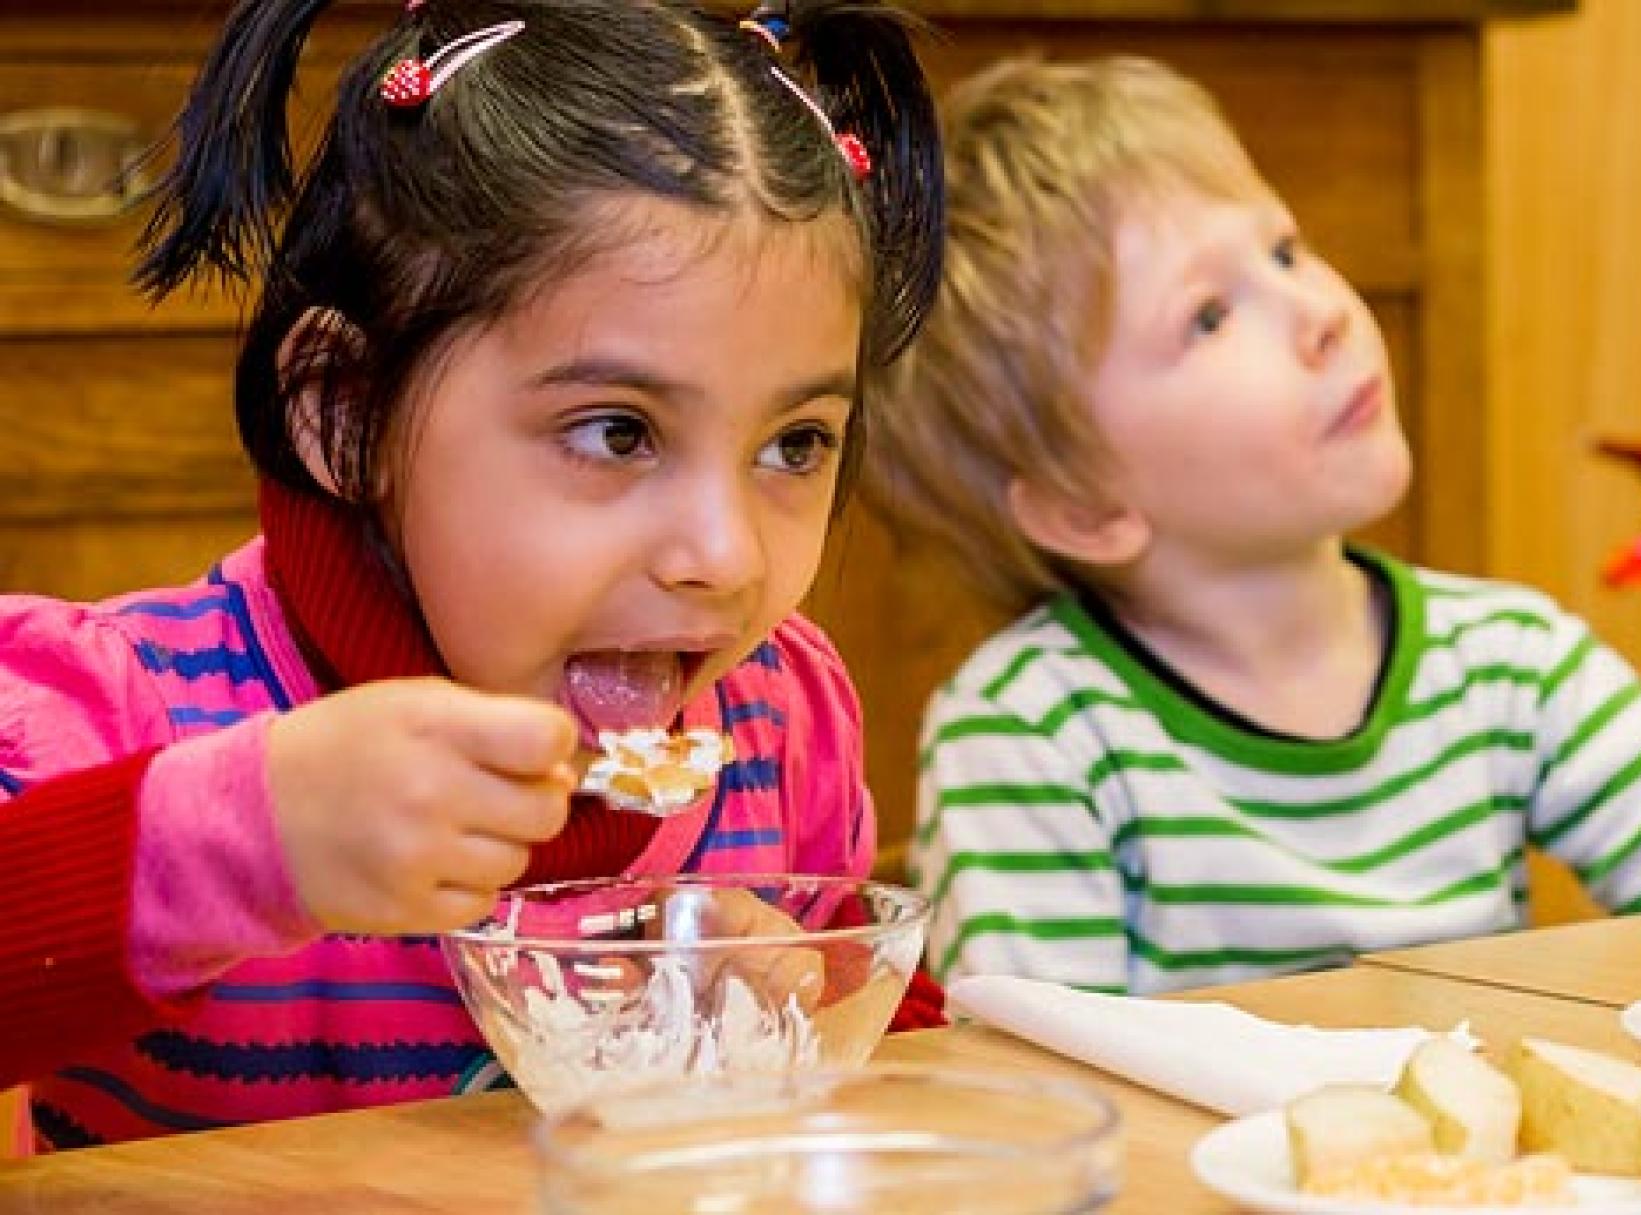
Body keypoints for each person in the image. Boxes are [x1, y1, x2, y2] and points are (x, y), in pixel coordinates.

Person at [0, 0, 944, 1149]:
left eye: (793, 445)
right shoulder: (130, 710)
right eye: (617, 432)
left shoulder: (784, 726)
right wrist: (239, 840)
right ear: (345, 414)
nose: (725, 556)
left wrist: (818, 1005)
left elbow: (913, 1082)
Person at [865, 56, 1641, 997]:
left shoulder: (1510, 662)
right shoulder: (1032, 733)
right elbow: (1041, 1101)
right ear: (1082, 506)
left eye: (1285, 250)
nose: (1319, 310)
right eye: (1208, 315)